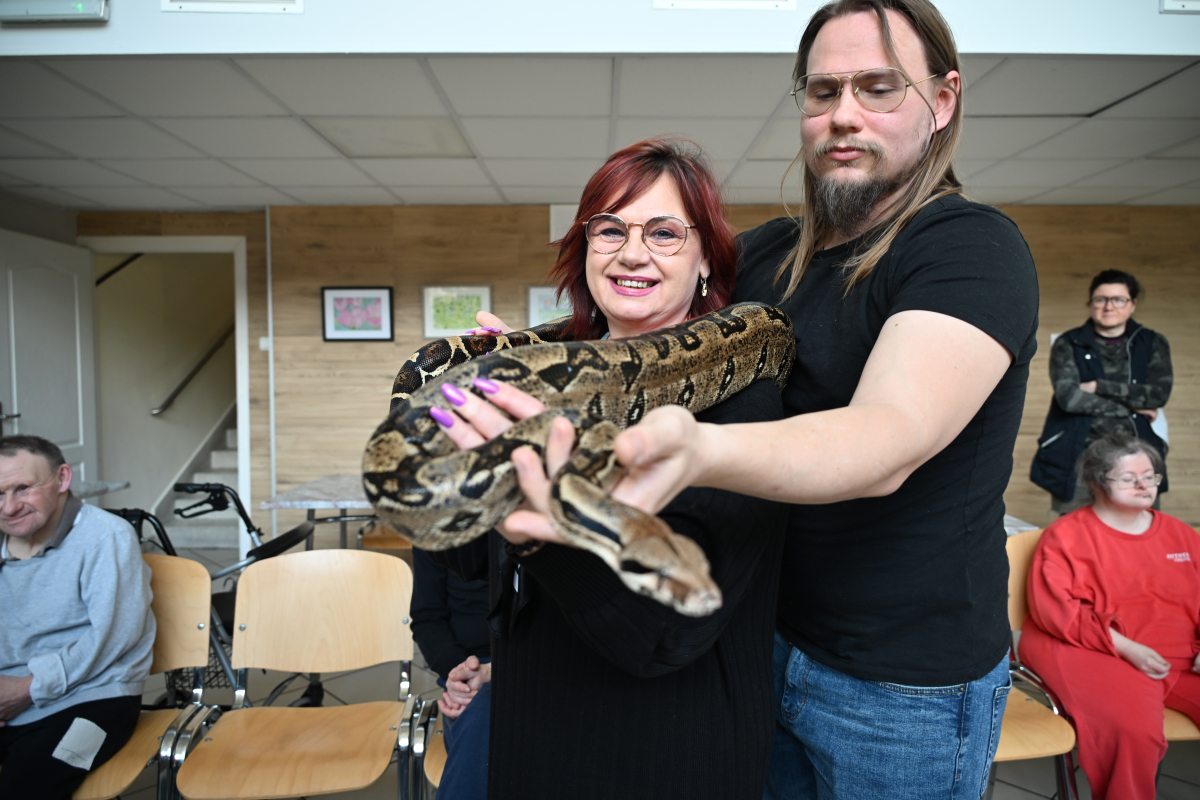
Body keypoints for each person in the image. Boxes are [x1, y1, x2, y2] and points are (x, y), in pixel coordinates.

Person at [471, 2, 1037, 797]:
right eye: (823, 91)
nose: (844, 115)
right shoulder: (769, 255)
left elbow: (889, 436)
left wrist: (698, 449)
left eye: (878, 88)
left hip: (898, 687)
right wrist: (535, 361)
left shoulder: (969, 249)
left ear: (942, 102)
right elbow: (653, 316)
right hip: (760, 645)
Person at [427, 137, 788, 799]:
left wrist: (541, 520)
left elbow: (664, 633)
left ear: (706, 258)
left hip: (663, 755)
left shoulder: (745, 407)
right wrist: (464, 444)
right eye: (610, 229)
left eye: (664, 232)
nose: (631, 252)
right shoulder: (543, 383)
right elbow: (467, 562)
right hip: (533, 736)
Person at [1020, 434, 1200, 800]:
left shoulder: (1181, 535)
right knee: (1134, 731)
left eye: (1150, 476)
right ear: (1096, 481)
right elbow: (1057, 612)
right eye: (1129, 478)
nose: (1144, 486)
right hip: (1097, 649)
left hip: (1178, 654)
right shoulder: (1066, 536)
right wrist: (1129, 648)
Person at [0, 435, 155, 800]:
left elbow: (113, 638)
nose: (9, 507)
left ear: (62, 479)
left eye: (23, 488)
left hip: (93, 699)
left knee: (23, 790)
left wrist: (27, 689)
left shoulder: (105, 537)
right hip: (8, 697)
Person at [1030, 269, 1172, 516]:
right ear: (1090, 303)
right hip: (1077, 456)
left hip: (1137, 454)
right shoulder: (1069, 343)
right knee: (1075, 530)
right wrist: (1129, 406)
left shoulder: (1152, 343)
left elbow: (1158, 395)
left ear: (1133, 304)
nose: (1109, 306)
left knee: (1138, 528)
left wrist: (1098, 387)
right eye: (1101, 299)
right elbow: (1069, 399)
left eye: (1118, 299)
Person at [410, 548, 490, 799]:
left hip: (537, 663)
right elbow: (427, 617)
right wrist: (461, 676)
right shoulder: (436, 530)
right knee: (483, 736)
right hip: (469, 668)